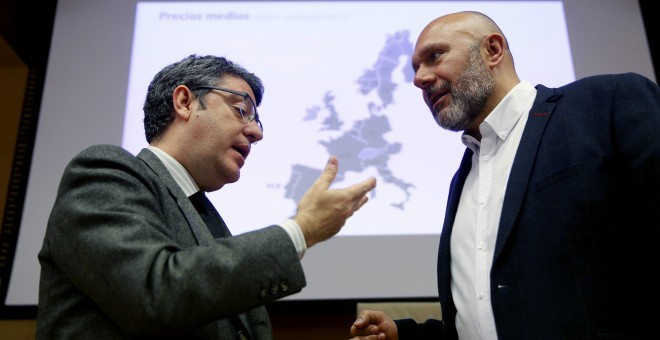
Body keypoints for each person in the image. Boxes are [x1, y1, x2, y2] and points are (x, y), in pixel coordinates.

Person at [350, 10, 660, 340]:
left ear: (493, 50)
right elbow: (487, 318)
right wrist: (403, 334)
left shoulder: (605, 103)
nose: (419, 79)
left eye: (435, 56)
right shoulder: (464, 178)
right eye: (415, 68)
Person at [36, 54, 377, 339]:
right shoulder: (104, 172)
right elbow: (155, 295)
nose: (257, 132)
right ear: (184, 102)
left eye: (257, 119)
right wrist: (302, 230)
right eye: (241, 109)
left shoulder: (203, 213)